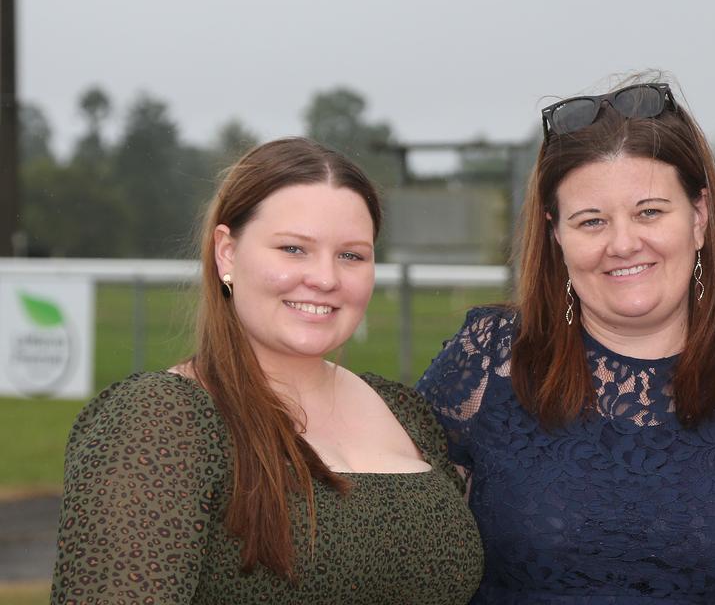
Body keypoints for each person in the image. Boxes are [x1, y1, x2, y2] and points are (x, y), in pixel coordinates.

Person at [417, 79, 715, 604]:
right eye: (591, 221)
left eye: (649, 212)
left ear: (700, 216)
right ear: (556, 235)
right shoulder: (491, 360)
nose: (622, 244)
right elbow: (405, 547)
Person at [51, 137, 483, 604]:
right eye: (294, 249)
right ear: (227, 253)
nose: (325, 278)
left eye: (351, 255)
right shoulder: (162, 419)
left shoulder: (404, 411)